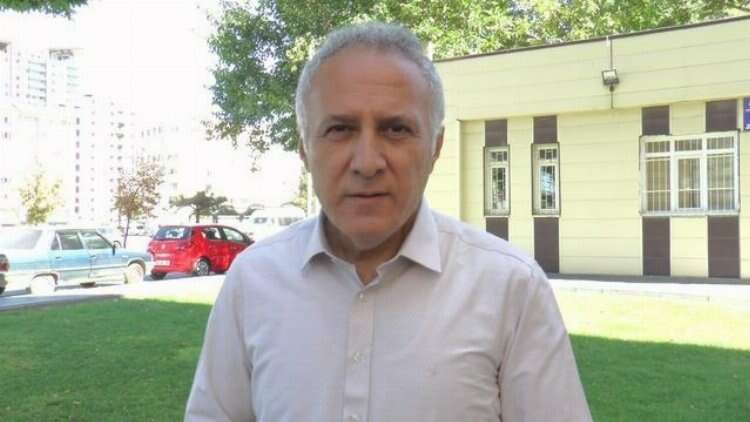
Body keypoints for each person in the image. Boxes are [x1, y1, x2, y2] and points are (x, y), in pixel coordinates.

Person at [185, 22, 592, 422]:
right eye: (340, 129)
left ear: (435, 147)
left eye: (396, 129)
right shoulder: (252, 282)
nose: (367, 163)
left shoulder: (510, 289)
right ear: (304, 148)